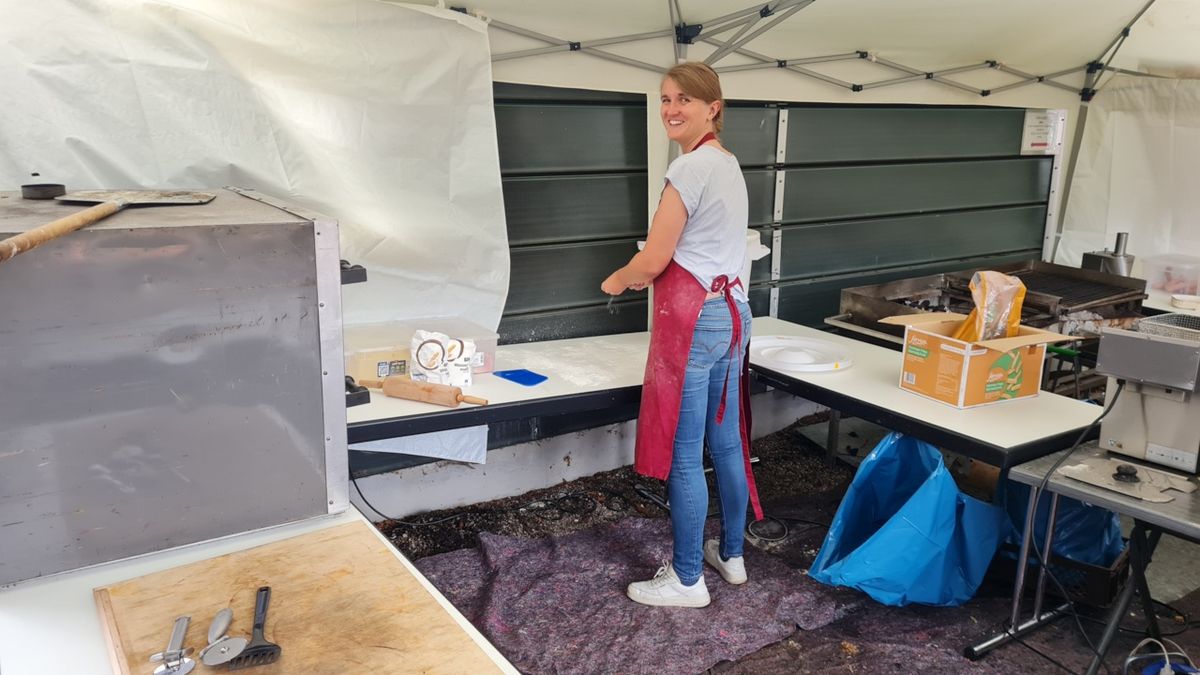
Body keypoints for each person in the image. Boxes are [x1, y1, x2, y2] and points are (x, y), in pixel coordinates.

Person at [601, 62, 762, 608]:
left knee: (686, 452)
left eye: (684, 100)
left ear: (713, 107)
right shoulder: (727, 163)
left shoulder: (689, 168)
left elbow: (653, 259)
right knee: (728, 441)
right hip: (733, 314)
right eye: (665, 99)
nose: (671, 110)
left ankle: (688, 579)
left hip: (697, 322)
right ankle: (732, 556)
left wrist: (618, 279)